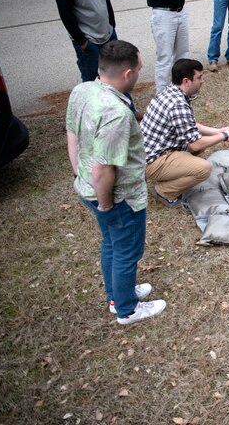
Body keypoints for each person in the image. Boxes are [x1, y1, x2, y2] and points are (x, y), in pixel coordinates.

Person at [65, 40, 166, 325]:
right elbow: (103, 168)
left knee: (111, 243)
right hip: (118, 198)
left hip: (88, 188)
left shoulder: (83, 89)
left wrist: (77, 173)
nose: (140, 73)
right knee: (126, 251)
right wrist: (107, 204)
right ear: (126, 74)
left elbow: (71, 131)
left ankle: (116, 295)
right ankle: (127, 309)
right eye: (139, 69)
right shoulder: (117, 114)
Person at [140, 58, 229, 207]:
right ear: (186, 81)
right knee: (204, 168)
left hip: (151, 153)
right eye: (199, 77)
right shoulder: (178, 104)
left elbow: (189, 125)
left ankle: (171, 173)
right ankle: (164, 191)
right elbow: (195, 144)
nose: (202, 81)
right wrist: (224, 136)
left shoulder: (171, 92)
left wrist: (217, 131)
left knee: (200, 144)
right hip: (153, 161)